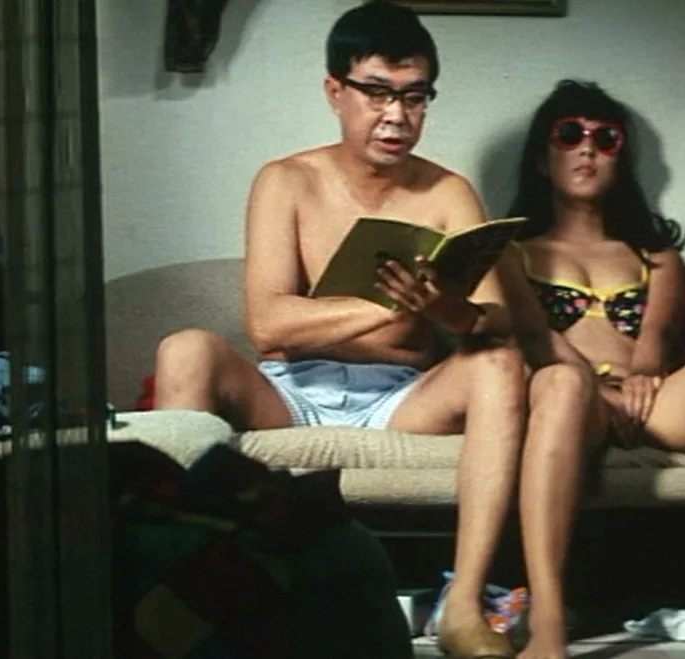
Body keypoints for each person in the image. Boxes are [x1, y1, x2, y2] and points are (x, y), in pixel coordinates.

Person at [154, 4, 530, 657]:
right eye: (377, 93)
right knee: (184, 349)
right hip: (292, 390)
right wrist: (397, 306)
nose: (396, 116)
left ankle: (464, 604)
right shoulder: (286, 180)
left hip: (402, 397)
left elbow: (495, 321)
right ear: (336, 91)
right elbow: (269, 322)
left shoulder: (449, 192)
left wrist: (448, 311)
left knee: (499, 363)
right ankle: (169, 587)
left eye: (414, 97)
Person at [494, 78, 685, 659]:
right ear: (542, 157)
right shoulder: (511, 251)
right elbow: (534, 339)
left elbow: (656, 338)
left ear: (621, 158)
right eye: (570, 134)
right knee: (561, 384)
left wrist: (640, 375)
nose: (587, 149)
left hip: (645, 400)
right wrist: (594, 388)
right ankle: (549, 618)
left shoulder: (655, 253)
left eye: (605, 139)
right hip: (568, 400)